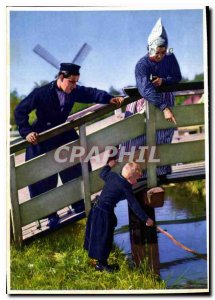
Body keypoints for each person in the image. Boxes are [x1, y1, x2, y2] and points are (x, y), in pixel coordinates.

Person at [14, 63, 124, 228]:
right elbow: (20, 111)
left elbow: (91, 93)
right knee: (43, 177)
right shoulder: (41, 93)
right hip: (42, 136)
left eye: (76, 82)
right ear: (61, 78)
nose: (74, 86)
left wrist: (109, 98)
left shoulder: (74, 91)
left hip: (63, 133)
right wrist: (27, 132)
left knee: (77, 164)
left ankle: (78, 203)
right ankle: (50, 215)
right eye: (71, 82)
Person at [121, 18, 182, 179]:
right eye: (157, 52)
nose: (160, 56)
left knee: (162, 136)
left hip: (165, 100)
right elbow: (145, 88)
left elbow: (176, 76)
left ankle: (159, 172)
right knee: (137, 139)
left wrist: (164, 80)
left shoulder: (170, 58)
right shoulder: (142, 64)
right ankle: (135, 175)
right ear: (150, 48)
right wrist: (164, 107)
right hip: (146, 102)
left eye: (163, 52)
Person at [84, 160, 154, 272]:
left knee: (96, 233)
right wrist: (146, 218)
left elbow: (102, 174)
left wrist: (108, 165)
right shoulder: (126, 187)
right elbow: (134, 205)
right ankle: (102, 265)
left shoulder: (113, 176)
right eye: (136, 179)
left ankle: (96, 258)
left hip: (96, 208)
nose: (136, 182)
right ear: (130, 177)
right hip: (105, 212)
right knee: (105, 237)